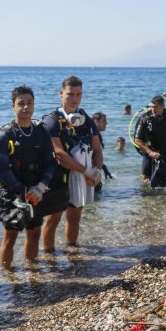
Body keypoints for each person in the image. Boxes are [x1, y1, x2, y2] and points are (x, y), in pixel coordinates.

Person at [0, 86, 55, 267]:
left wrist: (41, 187)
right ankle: (7, 275)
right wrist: (25, 191)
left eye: (29, 103)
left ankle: (32, 269)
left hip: (36, 192)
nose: (26, 107)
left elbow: (50, 163)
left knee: (34, 232)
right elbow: (2, 171)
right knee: (10, 236)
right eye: (21, 103)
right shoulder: (3, 134)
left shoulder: (41, 131)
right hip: (12, 194)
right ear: (13, 106)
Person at [40, 76, 103, 250]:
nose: (74, 99)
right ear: (61, 94)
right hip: (58, 177)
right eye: (70, 94)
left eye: (78, 94)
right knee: (53, 219)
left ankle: (73, 251)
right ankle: (49, 256)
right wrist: (87, 172)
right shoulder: (52, 120)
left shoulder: (86, 119)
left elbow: (97, 149)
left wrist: (96, 171)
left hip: (82, 175)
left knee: (75, 218)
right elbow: (59, 153)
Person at [92, 112, 113, 184]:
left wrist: (104, 168)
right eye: (104, 121)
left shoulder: (97, 134)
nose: (106, 123)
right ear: (95, 121)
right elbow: (92, 156)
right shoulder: (92, 135)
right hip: (91, 172)